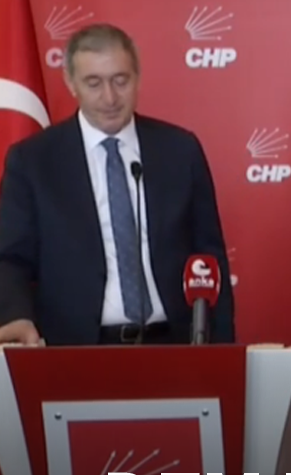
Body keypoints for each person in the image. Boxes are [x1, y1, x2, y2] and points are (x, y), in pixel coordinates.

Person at [0, 23, 235, 345]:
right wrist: (17, 317)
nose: (109, 97)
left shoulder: (180, 151)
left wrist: (221, 349)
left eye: (120, 80)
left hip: (174, 345)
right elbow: (10, 258)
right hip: (76, 349)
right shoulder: (33, 161)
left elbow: (210, 258)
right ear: (70, 82)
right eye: (94, 83)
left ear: (138, 77)